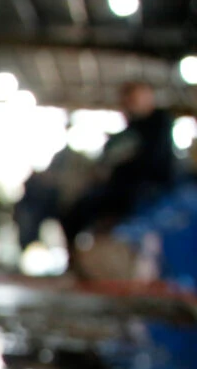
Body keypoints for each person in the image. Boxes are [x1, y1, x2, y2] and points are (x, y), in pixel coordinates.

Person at [61, 81, 176, 248]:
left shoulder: (160, 124)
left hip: (145, 190)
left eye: (135, 98)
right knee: (75, 210)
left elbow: (152, 163)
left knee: (81, 210)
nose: (131, 103)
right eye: (129, 99)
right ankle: (77, 258)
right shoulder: (129, 131)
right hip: (125, 188)